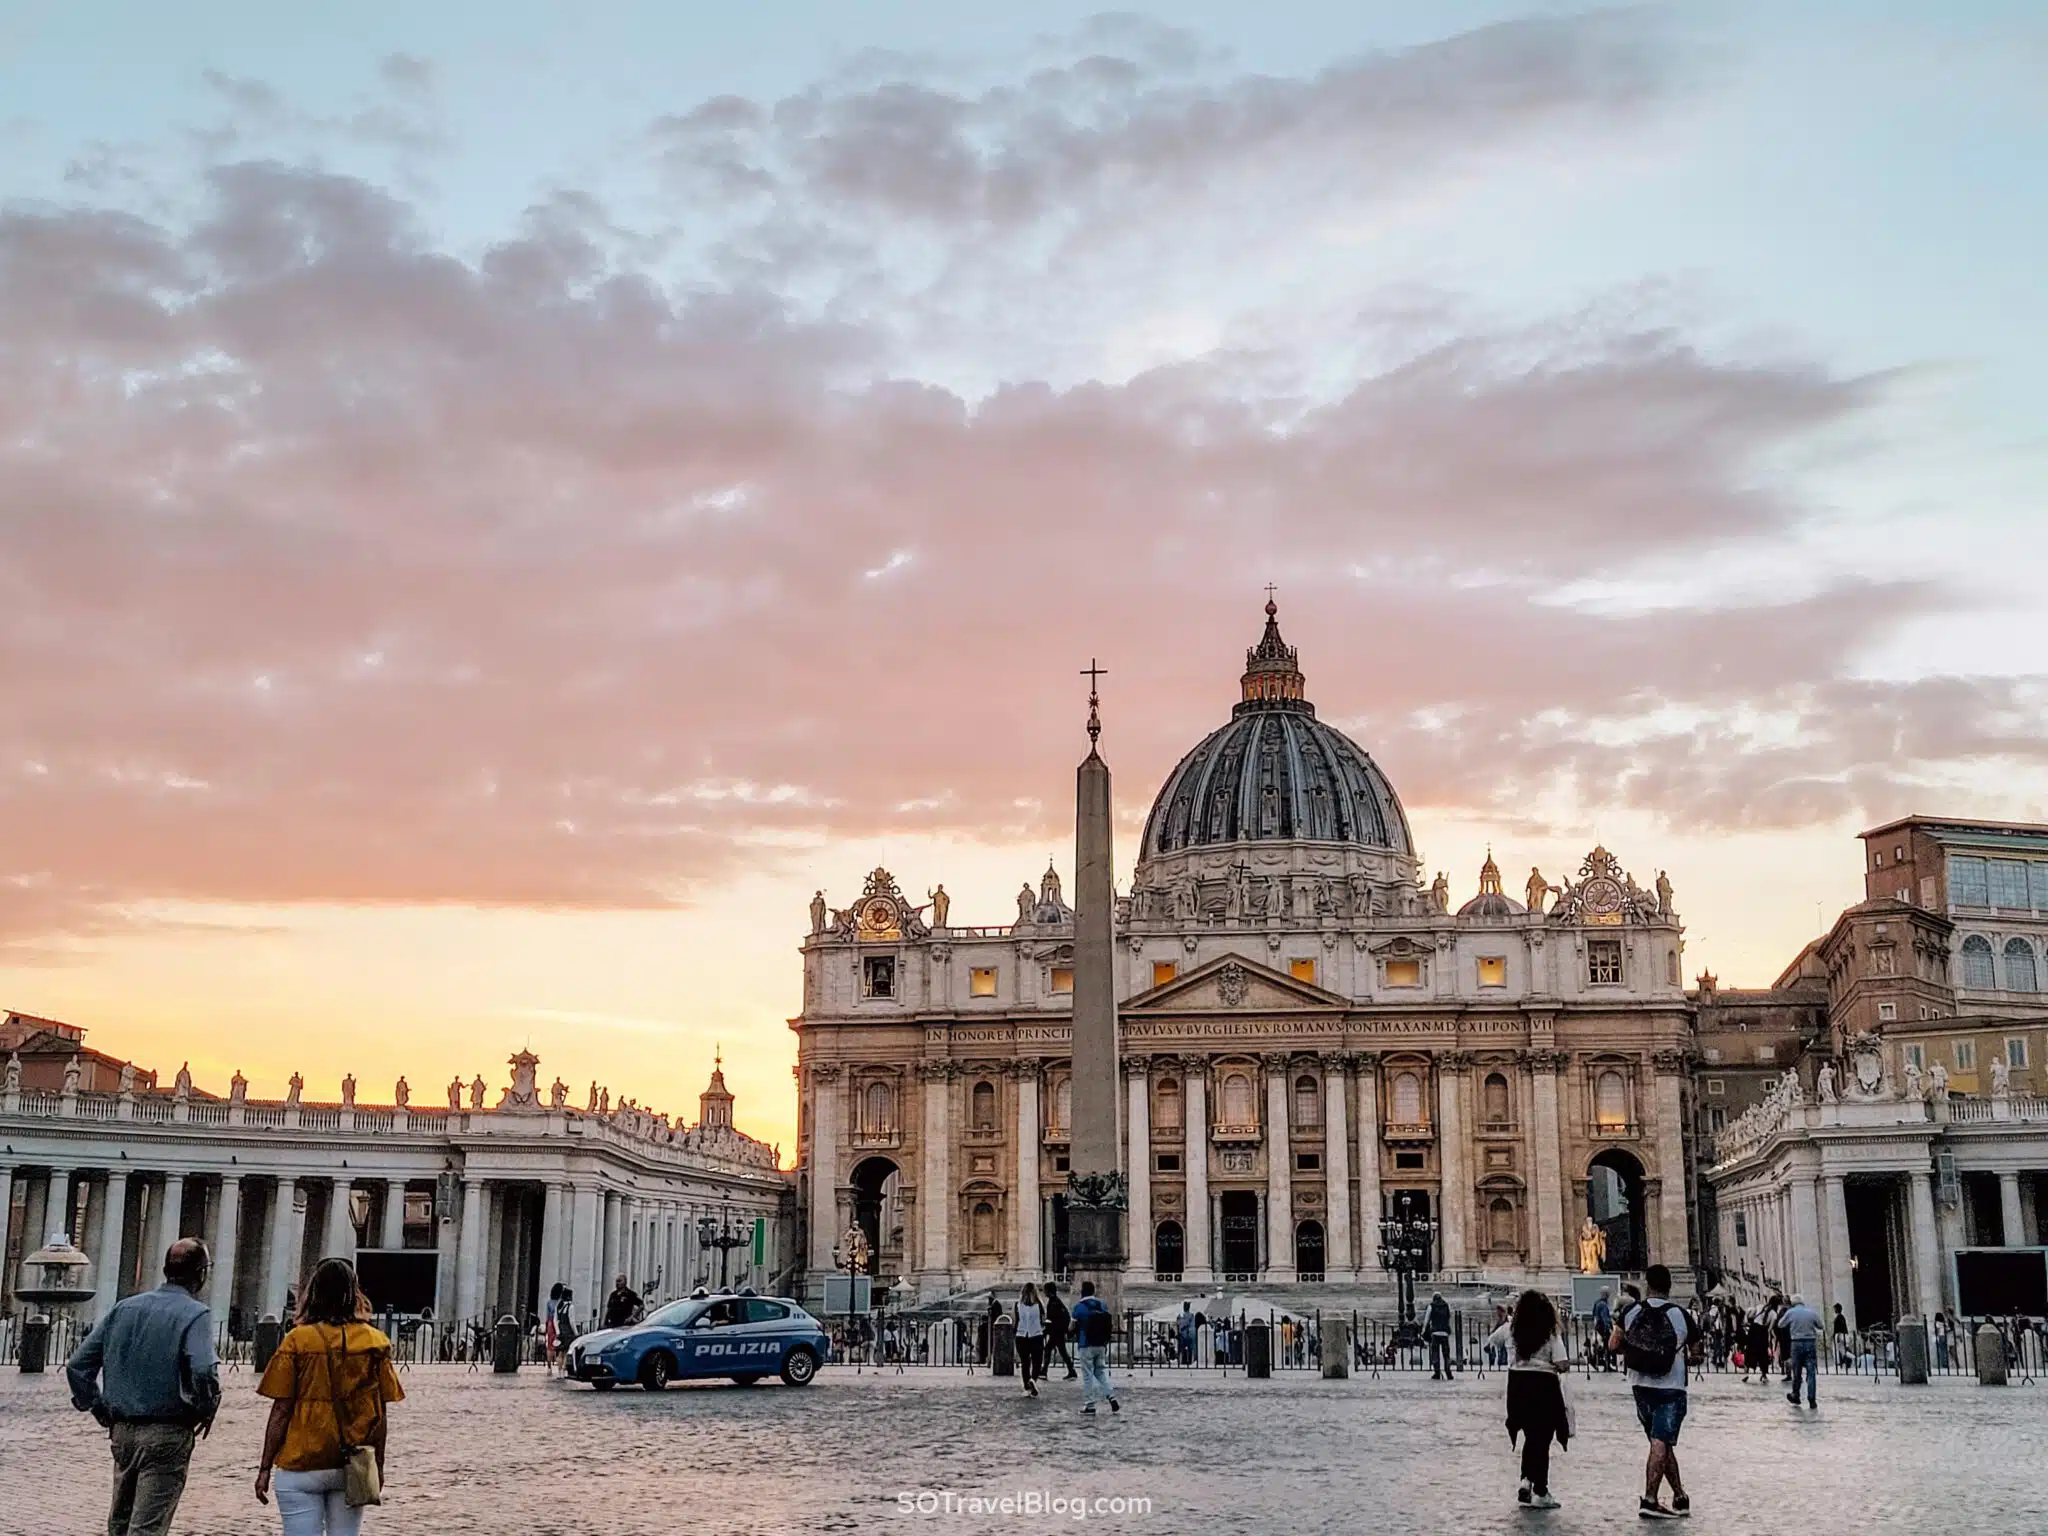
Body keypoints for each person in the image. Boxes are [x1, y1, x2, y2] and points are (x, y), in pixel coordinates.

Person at [66, 1238, 221, 1536]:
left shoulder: (124, 1308)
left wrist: (97, 1406)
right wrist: (206, 1406)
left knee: (120, 1525)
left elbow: (77, 1366)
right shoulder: (195, 1314)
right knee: (147, 1528)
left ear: (165, 1270)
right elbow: (203, 1369)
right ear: (201, 1274)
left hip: (122, 1432)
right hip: (167, 1432)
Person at [256, 1257, 406, 1535]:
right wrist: (379, 1465)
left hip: (300, 1461)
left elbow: (281, 1410)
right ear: (354, 1294)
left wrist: (265, 1466)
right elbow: (380, 1415)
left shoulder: (297, 1341)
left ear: (313, 1293)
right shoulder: (375, 1342)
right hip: (351, 1461)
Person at [1609, 1263, 1695, 1521]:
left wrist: (1638, 1353)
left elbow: (1613, 1345)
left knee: (1659, 1442)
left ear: (1647, 1285)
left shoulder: (1630, 1310)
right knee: (1661, 1441)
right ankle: (1650, 1500)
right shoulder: (1681, 1314)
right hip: (1671, 1386)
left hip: (1639, 1385)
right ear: (1670, 1286)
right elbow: (1699, 1352)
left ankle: (1680, 1496)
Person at [1488, 1289, 1573, 1510]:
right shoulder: (1550, 1333)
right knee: (1541, 1439)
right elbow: (1562, 1363)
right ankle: (1541, 1491)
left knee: (1529, 1436)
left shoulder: (1511, 1331)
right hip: (1544, 1387)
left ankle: (1526, 1480)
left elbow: (1491, 1342)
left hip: (1517, 1386)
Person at [1069, 1280, 1119, 1415]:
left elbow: (1071, 1327)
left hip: (1086, 1344)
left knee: (1087, 1375)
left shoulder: (1079, 1307)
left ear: (1082, 1292)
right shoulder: (1102, 1305)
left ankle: (1090, 1404)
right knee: (1100, 1372)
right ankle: (1111, 1396)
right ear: (1093, 1292)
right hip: (1101, 1344)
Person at [1780, 1294, 1822, 1408]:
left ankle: (1796, 1395)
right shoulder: (1811, 1312)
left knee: (1797, 1371)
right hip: (1810, 1342)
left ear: (1793, 1303)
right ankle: (1812, 1399)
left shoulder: (1791, 1312)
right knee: (1811, 1372)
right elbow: (1820, 1326)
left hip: (1796, 1343)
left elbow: (1780, 1324)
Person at [1014, 1284, 1046, 1397]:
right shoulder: (1039, 1305)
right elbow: (1043, 1320)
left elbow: (1016, 1321)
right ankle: (1033, 1379)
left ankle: (1027, 1387)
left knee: (1025, 1363)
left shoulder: (1018, 1305)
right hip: (1036, 1335)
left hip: (1021, 1335)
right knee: (1037, 1362)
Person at [1043, 1282, 1075, 1379]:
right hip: (1058, 1331)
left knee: (1049, 1349)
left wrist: (1047, 1329)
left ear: (1048, 1291)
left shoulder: (1054, 1303)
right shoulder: (1056, 1301)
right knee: (1061, 1351)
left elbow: (1052, 1319)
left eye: (1045, 1290)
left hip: (1056, 1332)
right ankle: (1071, 1371)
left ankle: (1044, 1371)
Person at [1425, 1292, 1454, 1381]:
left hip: (1435, 1333)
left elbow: (1427, 1319)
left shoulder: (1431, 1306)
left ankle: (1437, 1373)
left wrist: (1424, 1329)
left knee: (1435, 1354)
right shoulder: (1446, 1305)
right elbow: (1450, 1316)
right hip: (1444, 1333)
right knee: (1446, 1354)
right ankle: (1448, 1372)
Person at [1591, 1289, 1614, 1372]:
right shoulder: (1603, 1305)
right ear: (1607, 1294)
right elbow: (1605, 1318)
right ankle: (1605, 1365)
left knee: (1602, 1346)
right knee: (1608, 1346)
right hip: (1603, 1328)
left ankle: (1604, 1364)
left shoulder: (1597, 1303)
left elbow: (1593, 1314)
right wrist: (1609, 1328)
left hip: (1598, 1327)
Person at [1829, 1303, 1850, 1369]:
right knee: (1842, 1350)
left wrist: (1836, 1336)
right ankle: (1844, 1361)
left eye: (1835, 1309)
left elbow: (1838, 1328)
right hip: (1840, 1335)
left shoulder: (1839, 1317)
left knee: (1837, 1350)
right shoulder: (1841, 1317)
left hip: (1839, 1335)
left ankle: (1840, 1362)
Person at [1177, 1301, 1197, 1366]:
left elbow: (1179, 1323)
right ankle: (1188, 1360)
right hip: (1188, 1334)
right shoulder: (1191, 1315)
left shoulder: (1181, 1315)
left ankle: (1183, 1361)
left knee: (1183, 1349)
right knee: (1188, 1348)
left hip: (1184, 1334)